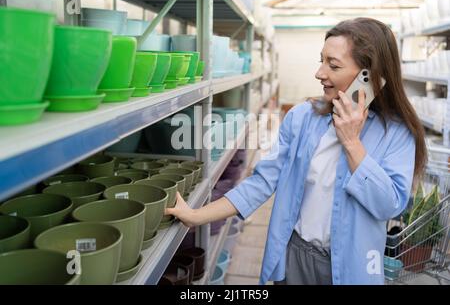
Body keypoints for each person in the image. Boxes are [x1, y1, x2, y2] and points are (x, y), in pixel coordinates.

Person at [165, 18, 427, 285]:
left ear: (369, 77)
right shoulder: (302, 118)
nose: (319, 73)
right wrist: (196, 216)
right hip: (294, 259)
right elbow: (262, 182)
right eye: (321, 60)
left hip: (352, 268)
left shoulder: (397, 133)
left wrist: (352, 143)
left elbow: (390, 205)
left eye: (333, 64)